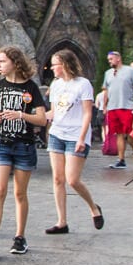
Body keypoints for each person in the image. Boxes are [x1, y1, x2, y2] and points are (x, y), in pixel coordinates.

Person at [0, 47, 47, 257]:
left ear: (15, 63)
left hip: (24, 145)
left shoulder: (31, 88)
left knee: (20, 192)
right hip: (2, 143)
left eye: (2, 61)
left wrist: (21, 115)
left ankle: (20, 237)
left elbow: (42, 119)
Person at [45, 49, 103, 234]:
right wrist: (31, 116)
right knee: (57, 178)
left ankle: (93, 207)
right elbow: (53, 112)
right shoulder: (55, 84)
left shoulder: (83, 84)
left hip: (76, 135)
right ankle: (62, 221)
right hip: (57, 133)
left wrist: (82, 138)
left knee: (72, 180)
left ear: (65, 65)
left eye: (55, 64)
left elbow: (87, 113)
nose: (52, 68)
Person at [101, 51, 133, 169]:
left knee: (131, 133)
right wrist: (105, 106)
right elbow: (105, 90)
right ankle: (121, 159)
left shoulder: (130, 71)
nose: (109, 61)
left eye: (111, 59)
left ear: (118, 58)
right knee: (119, 134)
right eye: (108, 60)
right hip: (113, 107)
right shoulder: (108, 73)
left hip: (127, 106)